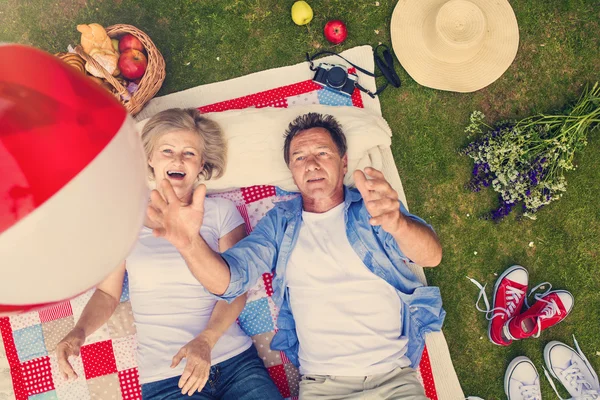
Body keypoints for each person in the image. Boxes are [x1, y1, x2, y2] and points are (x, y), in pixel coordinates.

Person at [147, 112, 445, 399]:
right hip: (323, 387)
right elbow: (229, 282)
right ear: (292, 171)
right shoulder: (279, 224)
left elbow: (430, 257)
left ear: (343, 164)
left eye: (323, 153)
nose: (312, 164)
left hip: (394, 378)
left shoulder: (373, 207)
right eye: (300, 158)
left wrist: (399, 224)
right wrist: (189, 244)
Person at [56, 108, 283, 400]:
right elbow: (108, 294)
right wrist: (79, 332)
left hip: (234, 363)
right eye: (167, 150)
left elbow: (237, 288)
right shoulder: (126, 220)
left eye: (189, 153)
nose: (178, 159)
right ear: (150, 158)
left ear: (201, 164)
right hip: (165, 378)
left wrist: (207, 340)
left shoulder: (222, 212)